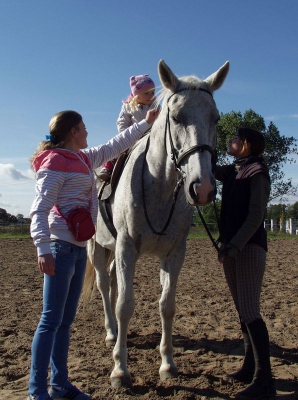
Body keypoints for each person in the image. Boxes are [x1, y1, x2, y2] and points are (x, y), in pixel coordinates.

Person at [27, 108, 159, 400]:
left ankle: (59, 385)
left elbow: (115, 144)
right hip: (59, 248)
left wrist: (146, 123)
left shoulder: (84, 158)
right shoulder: (54, 162)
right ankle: (36, 391)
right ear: (73, 132)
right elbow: (39, 208)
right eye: (84, 127)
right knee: (50, 319)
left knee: (65, 321)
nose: (88, 132)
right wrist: (42, 247)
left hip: (77, 248)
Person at [215, 127, 276, 400]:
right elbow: (208, 168)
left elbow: (255, 216)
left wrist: (235, 245)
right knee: (243, 311)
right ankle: (249, 366)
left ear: (247, 145)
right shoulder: (234, 170)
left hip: (248, 248)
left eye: (236, 139)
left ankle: (265, 380)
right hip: (231, 248)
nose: (231, 141)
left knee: (251, 311)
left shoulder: (257, 173)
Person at [97, 74, 156, 181]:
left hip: (151, 138)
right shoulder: (128, 106)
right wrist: (127, 134)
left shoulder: (155, 106)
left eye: (152, 92)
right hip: (132, 138)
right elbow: (121, 122)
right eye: (146, 93)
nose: (150, 96)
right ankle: (107, 168)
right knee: (117, 149)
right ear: (136, 94)